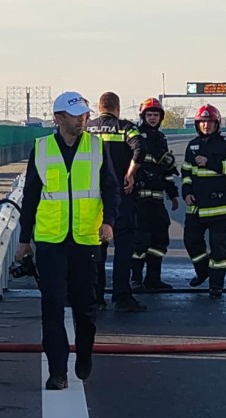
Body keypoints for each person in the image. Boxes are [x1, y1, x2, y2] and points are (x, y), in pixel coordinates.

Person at [15, 91, 120, 390]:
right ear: (59, 118)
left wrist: (109, 222)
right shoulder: (42, 148)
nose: (83, 119)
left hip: (87, 239)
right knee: (52, 307)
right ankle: (58, 372)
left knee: (87, 308)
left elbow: (111, 190)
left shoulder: (97, 147)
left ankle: (84, 353)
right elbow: (31, 196)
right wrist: (24, 240)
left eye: (85, 114)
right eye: (76, 115)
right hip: (50, 240)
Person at [85, 92, 148, 312]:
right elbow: (141, 148)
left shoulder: (87, 127)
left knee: (96, 251)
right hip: (122, 196)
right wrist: (130, 174)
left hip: (94, 200)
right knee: (123, 249)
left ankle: (97, 297)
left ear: (99, 106)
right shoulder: (126, 127)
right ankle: (122, 297)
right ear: (117, 107)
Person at [181, 104, 226, 298]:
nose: (206, 126)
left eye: (209, 122)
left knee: (218, 249)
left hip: (219, 208)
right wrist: (186, 192)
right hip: (196, 207)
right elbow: (186, 173)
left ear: (217, 123)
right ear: (197, 124)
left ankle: (216, 285)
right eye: (202, 122)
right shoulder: (192, 145)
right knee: (191, 242)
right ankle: (203, 272)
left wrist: (210, 162)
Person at [131, 98, 180, 291]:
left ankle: (153, 279)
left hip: (157, 197)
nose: (152, 118)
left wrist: (173, 195)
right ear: (143, 116)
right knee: (140, 241)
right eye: (149, 115)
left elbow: (166, 171)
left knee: (160, 238)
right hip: (138, 197)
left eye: (156, 115)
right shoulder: (135, 136)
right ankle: (135, 280)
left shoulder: (161, 138)